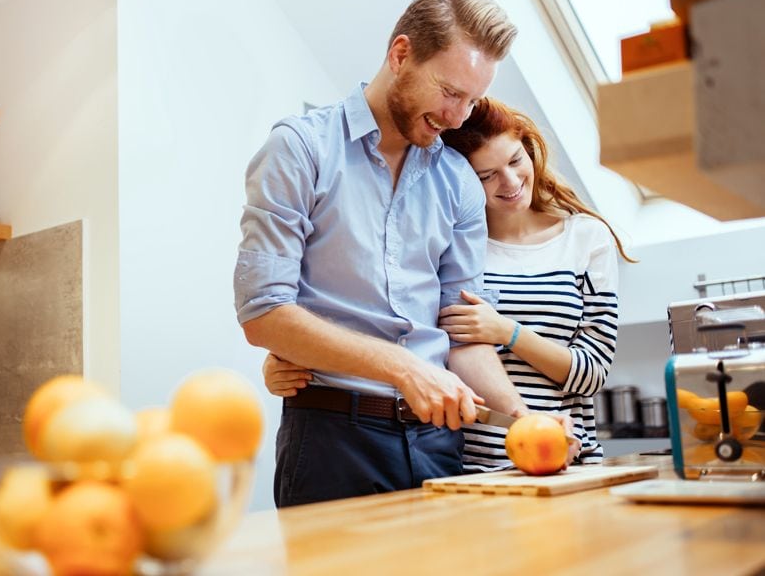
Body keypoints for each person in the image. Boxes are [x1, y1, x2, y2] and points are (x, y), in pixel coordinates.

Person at [234, 0, 531, 508]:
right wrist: (403, 367)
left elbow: (461, 334)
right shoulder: (300, 149)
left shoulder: (459, 181)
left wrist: (522, 416)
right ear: (401, 55)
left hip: (439, 444)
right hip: (329, 441)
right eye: (450, 92)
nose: (459, 117)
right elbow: (264, 313)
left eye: (473, 100)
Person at [266, 98, 630, 472]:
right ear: (464, 182)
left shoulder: (586, 238)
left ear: (529, 147)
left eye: (515, 160)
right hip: (469, 461)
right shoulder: (449, 245)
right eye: (487, 176)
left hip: (562, 450)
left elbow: (592, 373)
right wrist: (294, 354)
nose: (510, 182)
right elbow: (405, 330)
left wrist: (506, 331)